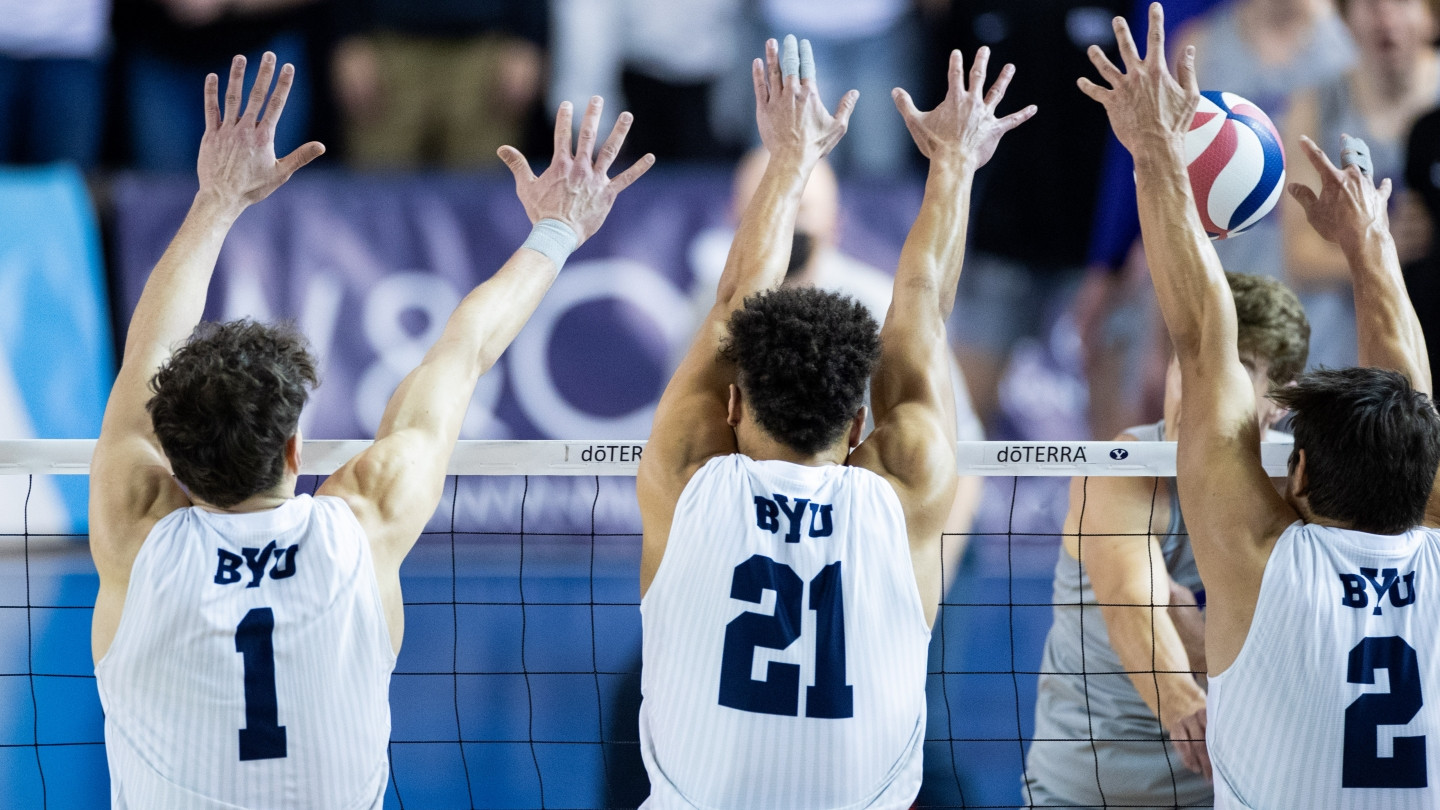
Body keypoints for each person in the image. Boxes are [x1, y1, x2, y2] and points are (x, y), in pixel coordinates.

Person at [88, 53, 653, 806]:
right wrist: (556, 231)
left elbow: (146, 357)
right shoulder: (363, 526)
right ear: (296, 447)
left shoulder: (134, 529)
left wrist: (216, 201)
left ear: (173, 454)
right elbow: (464, 354)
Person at [635, 34, 1034, 807]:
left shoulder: (687, 481)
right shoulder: (905, 487)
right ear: (860, 425)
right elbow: (921, 309)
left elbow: (729, 310)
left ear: (730, 407)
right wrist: (954, 167)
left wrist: (788, 157)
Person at [1081, 4, 1440, 805]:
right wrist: (1374, 252)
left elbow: (1206, 349)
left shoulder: (1261, 567)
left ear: (1299, 471)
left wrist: (1158, 158)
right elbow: (1409, 406)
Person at [1026, 272, 1310, 808]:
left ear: (1280, 399)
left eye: (1231, 369)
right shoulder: (1123, 468)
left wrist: (1203, 645)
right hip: (1084, 794)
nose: (1198, 385)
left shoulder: (1298, 485)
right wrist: (1185, 699)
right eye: (1188, 358)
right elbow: (1134, 600)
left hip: (1224, 795)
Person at [1281, 0, 1440, 370]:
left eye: (1401, 4)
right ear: (1345, 19)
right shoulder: (1315, 105)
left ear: (1431, 16)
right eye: (1370, 5)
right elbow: (1299, 257)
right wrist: (1379, 249)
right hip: (1344, 340)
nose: (1386, 18)